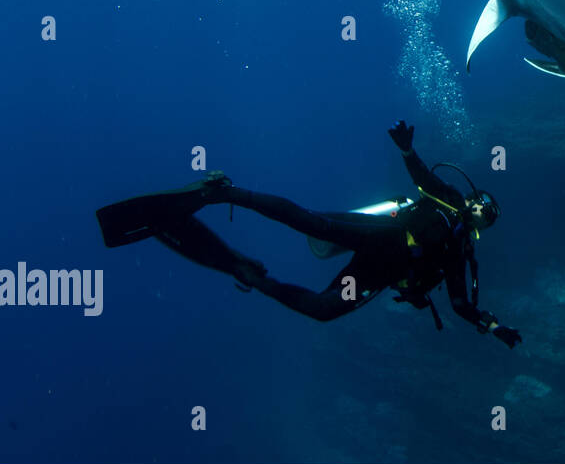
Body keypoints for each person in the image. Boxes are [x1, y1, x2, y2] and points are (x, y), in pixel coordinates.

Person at [95, 121, 521, 348]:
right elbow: (424, 178)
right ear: (472, 198)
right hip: (383, 236)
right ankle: (222, 192)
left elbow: (461, 302)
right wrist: (408, 149)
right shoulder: (447, 199)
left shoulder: (461, 253)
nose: (483, 213)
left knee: (323, 310)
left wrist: (492, 324)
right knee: (310, 222)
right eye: (484, 204)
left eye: (490, 217)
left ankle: (249, 274)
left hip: (376, 274)